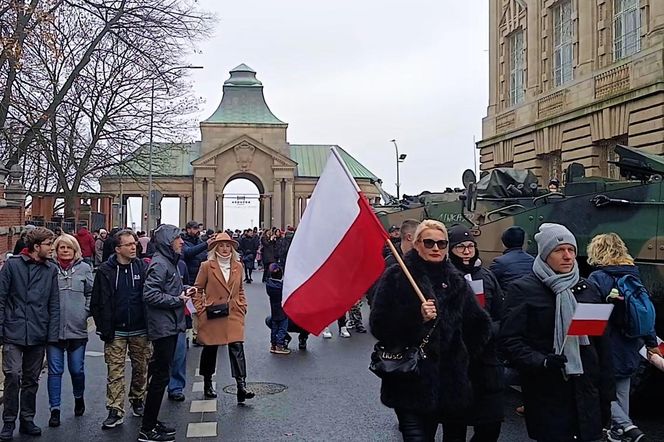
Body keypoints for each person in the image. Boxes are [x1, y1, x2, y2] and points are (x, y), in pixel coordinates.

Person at [370, 219, 492, 441]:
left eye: (442, 243)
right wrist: (417, 317)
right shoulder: (398, 276)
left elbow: (479, 324)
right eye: (429, 243)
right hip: (411, 381)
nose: (436, 248)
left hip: (451, 384)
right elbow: (379, 324)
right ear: (417, 244)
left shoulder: (456, 280)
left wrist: (462, 355)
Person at [499, 223, 614, 442]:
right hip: (547, 391)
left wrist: (606, 394)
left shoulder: (587, 289)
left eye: (571, 250)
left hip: (586, 391)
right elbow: (510, 341)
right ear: (544, 255)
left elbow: (601, 345)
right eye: (559, 250)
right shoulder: (523, 290)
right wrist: (541, 361)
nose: (568, 256)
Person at [586, 233, 661, 442]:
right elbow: (646, 312)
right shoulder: (634, 275)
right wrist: (651, 343)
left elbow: (593, 314)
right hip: (631, 342)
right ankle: (619, 431)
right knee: (622, 390)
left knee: (603, 389)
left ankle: (626, 427)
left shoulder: (598, 278)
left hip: (608, 343)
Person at [445, 225, 504, 442]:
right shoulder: (443, 277)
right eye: (460, 247)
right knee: (455, 428)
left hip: (486, 361)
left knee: (490, 425)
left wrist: (489, 331)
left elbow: (500, 313)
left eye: (470, 246)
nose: (467, 251)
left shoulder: (487, 276)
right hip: (456, 363)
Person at [0, 227, 60, 440]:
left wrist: (52, 335)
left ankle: (27, 419)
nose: (52, 249)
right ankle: (8, 421)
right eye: (48, 245)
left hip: (38, 331)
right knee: (13, 376)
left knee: (31, 379)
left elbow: (54, 304)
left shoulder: (51, 270)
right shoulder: (12, 266)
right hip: (13, 331)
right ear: (36, 247)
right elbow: (1, 298)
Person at [91, 229, 151, 430]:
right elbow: (97, 302)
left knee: (141, 368)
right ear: (117, 249)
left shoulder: (141, 268)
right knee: (115, 371)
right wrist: (102, 327)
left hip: (139, 328)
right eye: (128, 244)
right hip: (115, 330)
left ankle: (137, 399)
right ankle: (115, 409)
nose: (134, 246)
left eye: (134, 243)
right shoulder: (105, 271)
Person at [139, 224, 190, 442]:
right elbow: (150, 294)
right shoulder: (161, 264)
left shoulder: (167, 261)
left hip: (169, 325)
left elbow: (165, 289)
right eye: (178, 238)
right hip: (163, 327)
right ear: (168, 241)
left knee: (160, 375)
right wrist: (177, 300)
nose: (182, 242)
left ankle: (150, 422)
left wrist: (184, 291)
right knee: (160, 377)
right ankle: (146, 429)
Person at [192, 232, 255, 403]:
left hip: (233, 312)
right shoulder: (207, 266)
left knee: (237, 347)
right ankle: (207, 382)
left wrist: (243, 305)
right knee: (210, 350)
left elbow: (240, 288)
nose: (225, 249)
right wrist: (201, 310)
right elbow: (197, 289)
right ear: (215, 248)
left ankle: (241, 386)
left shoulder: (238, 266)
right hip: (213, 313)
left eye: (228, 246)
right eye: (221, 245)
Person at [47, 234, 94, 427]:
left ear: (75, 250)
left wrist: (85, 312)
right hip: (53, 330)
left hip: (77, 328)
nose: (65, 251)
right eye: (61, 248)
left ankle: (78, 397)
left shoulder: (85, 269)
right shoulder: (49, 269)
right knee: (54, 371)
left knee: (76, 369)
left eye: (68, 248)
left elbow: (91, 292)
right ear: (56, 251)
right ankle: (55, 410)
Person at [489, 226, 535, 292]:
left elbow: (490, 284)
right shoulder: (532, 260)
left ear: (504, 243)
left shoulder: (499, 262)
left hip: (509, 299)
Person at [265, 263, 290, 354]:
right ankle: (280, 345)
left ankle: (273, 345)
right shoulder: (282, 287)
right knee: (282, 328)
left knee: (274, 328)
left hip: (274, 309)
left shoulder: (269, 285)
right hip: (283, 311)